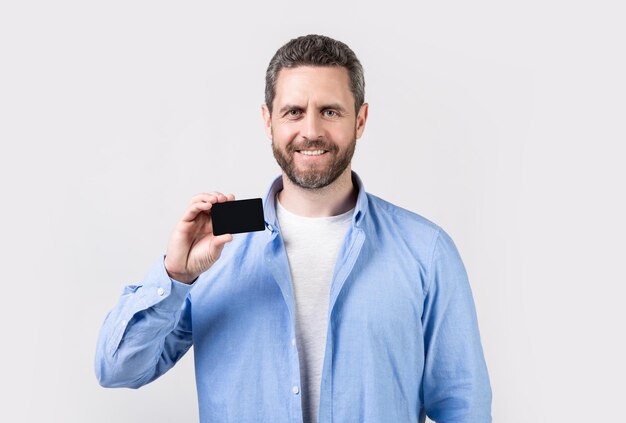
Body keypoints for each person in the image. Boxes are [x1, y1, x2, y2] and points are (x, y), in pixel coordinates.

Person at [95, 34, 492, 423]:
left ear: (361, 120)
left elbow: (464, 408)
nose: (312, 130)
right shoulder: (219, 244)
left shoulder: (426, 250)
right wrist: (176, 274)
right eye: (294, 112)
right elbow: (118, 369)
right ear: (268, 121)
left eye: (331, 111)